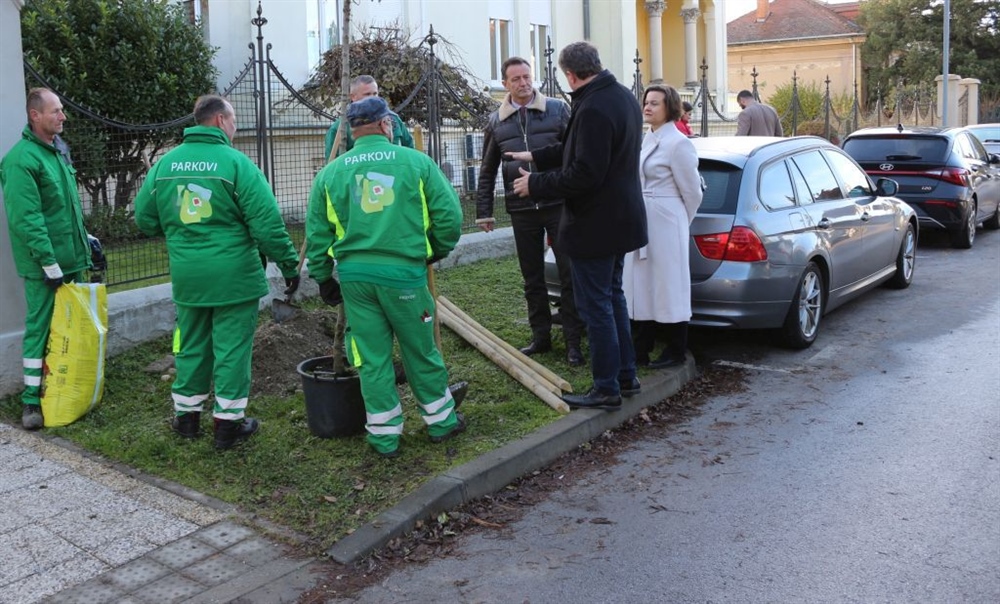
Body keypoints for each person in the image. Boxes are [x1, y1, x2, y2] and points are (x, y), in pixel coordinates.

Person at [134, 94, 302, 450]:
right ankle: (228, 425)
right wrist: (289, 265)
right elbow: (267, 225)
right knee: (231, 349)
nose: (236, 127)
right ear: (220, 121)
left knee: (191, 345)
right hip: (234, 278)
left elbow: (145, 218)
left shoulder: (165, 165)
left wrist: (184, 234)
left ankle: (187, 419)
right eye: (234, 120)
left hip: (188, 277)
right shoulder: (236, 165)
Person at [306, 96, 464, 459]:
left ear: (350, 130)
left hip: (355, 279)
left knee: (371, 357)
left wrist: (323, 277)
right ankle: (441, 423)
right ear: (385, 124)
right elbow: (449, 218)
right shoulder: (417, 163)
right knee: (420, 349)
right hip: (405, 275)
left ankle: (384, 437)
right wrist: (433, 251)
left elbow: (317, 234)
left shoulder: (330, 174)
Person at [510, 41, 647, 412]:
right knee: (613, 297)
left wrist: (534, 183)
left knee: (596, 306)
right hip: (620, 220)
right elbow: (577, 149)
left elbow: (584, 173)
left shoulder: (594, 107)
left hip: (596, 224)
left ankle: (606, 388)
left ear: (570, 75)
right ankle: (625, 376)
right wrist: (536, 156)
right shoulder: (620, 96)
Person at [476, 56, 585, 366]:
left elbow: (573, 153)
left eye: (527, 77)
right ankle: (541, 338)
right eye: (516, 79)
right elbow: (487, 169)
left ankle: (574, 342)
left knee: (568, 274)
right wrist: (484, 211)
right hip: (521, 208)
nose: (523, 83)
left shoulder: (557, 109)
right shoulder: (497, 120)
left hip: (557, 203)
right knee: (532, 277)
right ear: (505, 84)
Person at [1, 88, 93, 430]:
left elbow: (65, 209)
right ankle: (30, 401)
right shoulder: (21, 160)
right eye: (56, 111)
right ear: (34, 115)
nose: (63, 116)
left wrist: (88, 241)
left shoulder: (57, 153)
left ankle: (68, 387)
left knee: (72, 327)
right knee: (40, 326)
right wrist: (48, 263)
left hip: (71, 259)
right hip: (45, 266)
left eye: (62, 110)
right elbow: (28, 219)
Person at [624, 85, 703, 369]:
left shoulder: (678, 143)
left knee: (670, 284)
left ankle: (675, 348)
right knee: (641, 283)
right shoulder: (645, 138)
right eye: (646, 102)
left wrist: (679, 222)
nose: (647, 107)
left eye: (654, 103)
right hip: (643, 219)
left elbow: (693, 193)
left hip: (667, 221)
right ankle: (640, 347)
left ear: (669, 107)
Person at [323, 75, 414, 160]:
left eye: (375, 94)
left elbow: (411, 151)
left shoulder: (394, 119)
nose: (373, 98)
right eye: (367, 94)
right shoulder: (340, 127)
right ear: (353, 97)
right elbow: (332, 164)